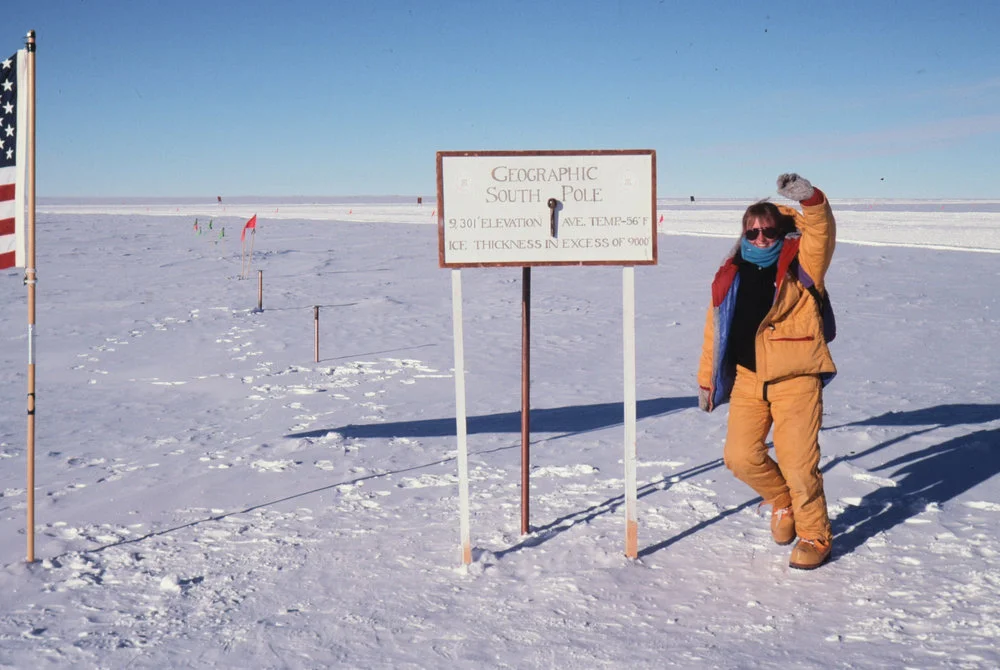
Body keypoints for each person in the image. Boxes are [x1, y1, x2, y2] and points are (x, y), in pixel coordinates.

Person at [697, 173, 837, 570]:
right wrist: (707, 379)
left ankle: (815, 535)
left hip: (796, 379)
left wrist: (809, 200)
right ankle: (781, 502)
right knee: (740, 457)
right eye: (752, 231)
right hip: (747, 380)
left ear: (781, 231)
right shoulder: (731, 272)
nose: (760, 238)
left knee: (797, 465)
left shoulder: (802, 264)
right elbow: (715, 331)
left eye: (768, 231)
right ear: (743, 233)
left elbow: (821, 231)